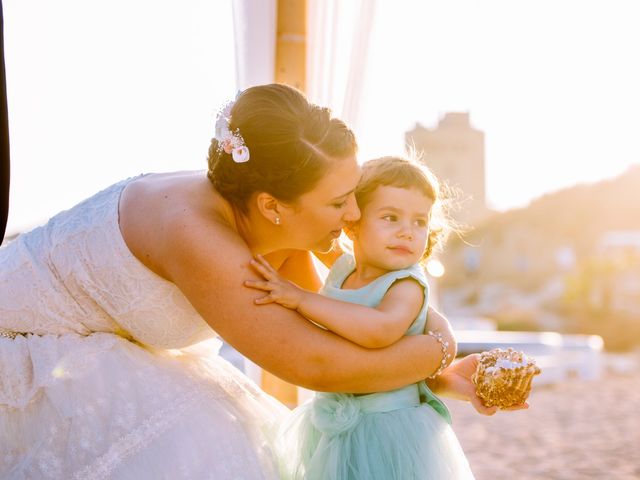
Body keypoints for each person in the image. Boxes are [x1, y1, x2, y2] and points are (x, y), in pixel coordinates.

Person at [0, 84, 502, 479]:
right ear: (273, 205)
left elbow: (349, 319)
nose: (353, 213)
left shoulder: (263, 219)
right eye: (337, 202)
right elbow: (318, 363)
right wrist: (439, 348)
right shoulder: (194, 235)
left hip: (103, 352)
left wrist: (440, 374)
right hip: (27, 355)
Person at [245, 156, 474, 479]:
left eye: (419, 222)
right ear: (352, 222)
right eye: (391, 217)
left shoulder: (406, 284)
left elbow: (380, 330)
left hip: (390, 430)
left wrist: (301, 299)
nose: (407, 232)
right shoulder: (344, 269)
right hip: (332, 425)